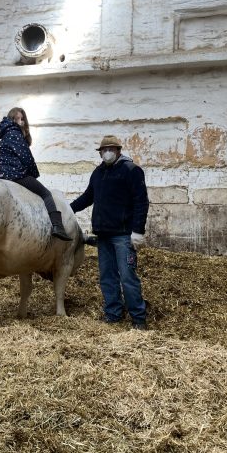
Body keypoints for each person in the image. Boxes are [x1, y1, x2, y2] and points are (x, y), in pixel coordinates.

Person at [70, 134, 149, 329]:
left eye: (111, 149)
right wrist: (67, 208)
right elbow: (88, 197)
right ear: (100, 153)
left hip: (123, 235)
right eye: (104, 150)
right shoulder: (98, 173)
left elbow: (141, 201)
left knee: (127, 276)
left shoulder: (131, 170)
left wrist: (137, 231)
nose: (107, 153)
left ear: (118, 151)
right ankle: (113, 313)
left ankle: (138, 318)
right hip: (103, 234)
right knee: (107, 276)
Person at [0, 107, 72, 241]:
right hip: (16, 175)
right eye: (17, 119)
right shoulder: (15, 134)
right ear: (11, 120)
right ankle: (57, 226)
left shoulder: (4, 135)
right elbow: (27, 158)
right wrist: (34, 174)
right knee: (46, 194)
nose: (20, 122)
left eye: (22, 119)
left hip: (2, 175)